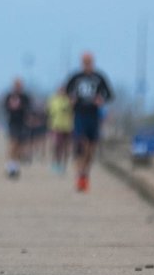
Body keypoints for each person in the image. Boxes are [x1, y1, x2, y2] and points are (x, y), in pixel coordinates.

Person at [65, 52, 114, 192]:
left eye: (89, 61)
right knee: (82, 144)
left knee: (92, 148)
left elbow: (110, 94)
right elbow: (67, 91)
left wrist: (101, 100)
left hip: (94, 115)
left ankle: (85, 172)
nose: (87, 64)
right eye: (84, 61)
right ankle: (80, 173)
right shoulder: (76, 77)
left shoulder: (99, 77)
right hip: (80, 114)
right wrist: (70, 99)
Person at [3, 78, 30, 179]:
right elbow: (5, 108)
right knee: (13, 143)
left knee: (20, 146)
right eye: (16, 85)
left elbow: (28, 109)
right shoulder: (9, 96)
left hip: (22, 123)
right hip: (12, 123)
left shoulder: (25, 97)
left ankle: (15, 166)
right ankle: (11, 166)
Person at [46, 85, 74, 174]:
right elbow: (48, 113)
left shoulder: (70, 100)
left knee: (66, 147)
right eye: (60, 90)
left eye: (63, 90)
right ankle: (56, 163)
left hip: (68, 126)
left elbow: (73, 112)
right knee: (57, 146)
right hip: (56, 126)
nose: (62, 92)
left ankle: (64, 164)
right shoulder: (53, 100)